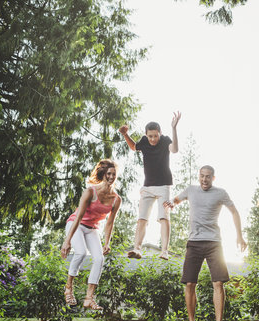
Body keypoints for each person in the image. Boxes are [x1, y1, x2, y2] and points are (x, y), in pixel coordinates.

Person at [165, 165, 247, 321]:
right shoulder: (191, 190)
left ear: (213, 178)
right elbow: (176, 199)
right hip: (194, 242)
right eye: (202, 176)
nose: (204, 179)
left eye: (208, 176)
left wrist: (239, 236)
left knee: (218, 282)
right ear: (199, 176)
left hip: (214, 243)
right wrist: (172, 203)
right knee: (189, 283)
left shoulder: (221, 193)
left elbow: (234, 212)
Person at [60, 159, 122, 310]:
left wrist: (107, 242)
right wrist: (67, 241)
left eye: (114, 174)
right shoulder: (90, 191)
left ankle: (89, 298)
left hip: (92, 229)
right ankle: (68, 288)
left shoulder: (116, 199)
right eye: (109, 173)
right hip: (76, 225)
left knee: (99, 258)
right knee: (80, 252)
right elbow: (79, 216)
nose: (111, 177)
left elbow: (109, 223)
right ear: (103, 174)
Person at [119, 112, 181, 260]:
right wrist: (125, 135)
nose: (153, 139)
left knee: (163, 217)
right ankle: (137, 249)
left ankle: (164, 251)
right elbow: (134, 147)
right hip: (147, 186)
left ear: (160, 133)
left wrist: (174, 128)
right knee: (142, 218)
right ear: (146, 135)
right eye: (150, 136)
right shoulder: (144, 141)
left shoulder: (165, 140)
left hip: (163, 186)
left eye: (155, 136)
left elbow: (175, 150)